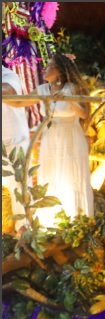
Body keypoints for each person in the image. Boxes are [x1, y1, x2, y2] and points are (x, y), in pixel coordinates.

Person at [34, 54, 94, 226]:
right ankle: (50, 222)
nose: (44, 68)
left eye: (49, 65)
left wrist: (68, 100)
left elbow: (84, 113)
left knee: (70, 175)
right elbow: (20, 102)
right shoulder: (44, 89)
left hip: (70, 137)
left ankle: (76, 221)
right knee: (51, 174)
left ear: (59, 70)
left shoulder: (71, 88)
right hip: (51, 137)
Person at [2, 64, 31, 229]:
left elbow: (8, 91)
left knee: (20, 186)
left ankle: (24, 231)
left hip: (15, 141)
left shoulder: (8, 75)